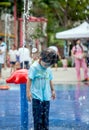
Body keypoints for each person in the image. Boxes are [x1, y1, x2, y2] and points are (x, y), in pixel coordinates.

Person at [26, 48, 58, 130]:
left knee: (45, 118)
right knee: (38, 118)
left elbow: (50, 79)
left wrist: (53, 90)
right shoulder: (34, 67)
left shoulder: (48, 68)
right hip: (37, 96)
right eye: (46, 64)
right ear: (40, 59)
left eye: (49, 65)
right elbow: (29, 79)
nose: (47, 66)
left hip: (46, 96)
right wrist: (28, 92)